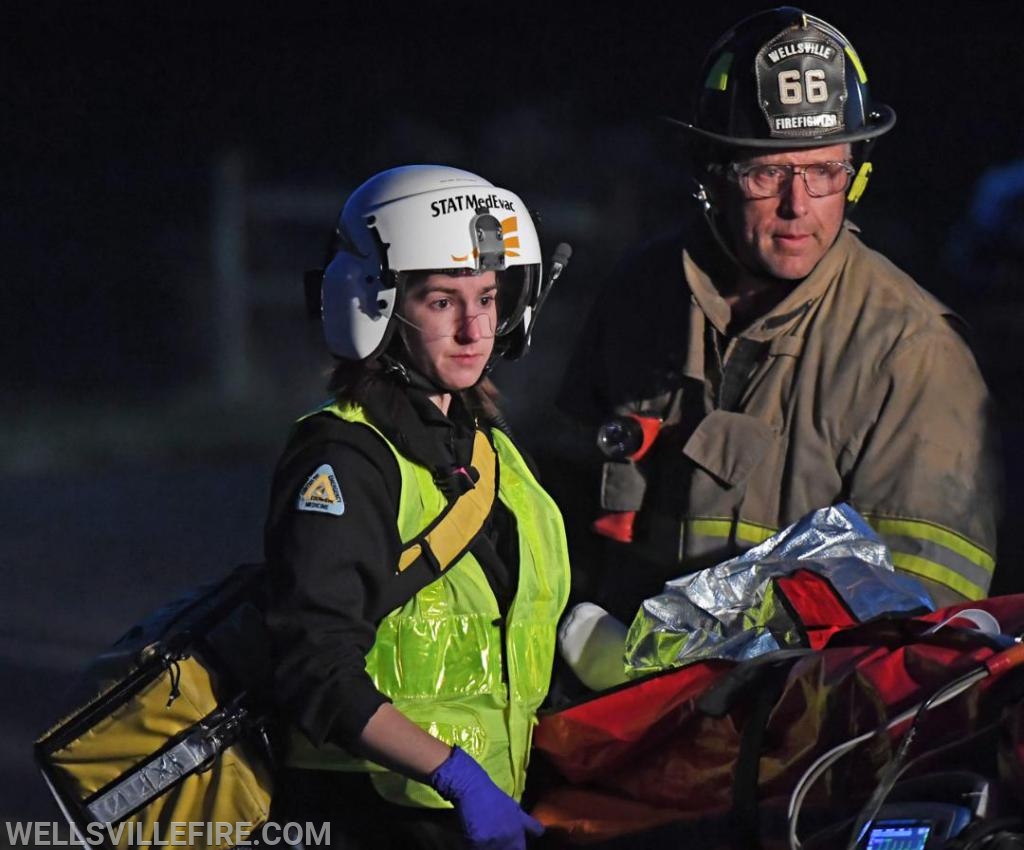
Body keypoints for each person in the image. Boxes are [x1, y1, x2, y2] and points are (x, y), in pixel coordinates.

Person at [557, 7, 1002, 626]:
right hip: (617, 706)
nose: (799, 206)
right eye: (767, 171)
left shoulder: (912, 350)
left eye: (824, 172)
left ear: (857, 174)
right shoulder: (640, 298)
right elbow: (557, 518)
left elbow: (925, 607)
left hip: (802, 714)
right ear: (713, 173)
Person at [263, 164, 571, 849]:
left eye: (488, 297)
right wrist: (456, 775)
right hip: (374, 816)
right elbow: (316, 668)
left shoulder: (491, 449)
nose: (473, 329)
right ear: (372, 304)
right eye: (440, 301)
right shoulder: (342, 459)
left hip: (477, 813)